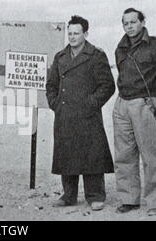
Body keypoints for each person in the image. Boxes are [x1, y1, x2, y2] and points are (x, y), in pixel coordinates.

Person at [46, 16, 115, 211]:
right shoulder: (60, 57)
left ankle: (95, 195)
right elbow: (51, 85)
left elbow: (107, 85)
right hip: (65, 114)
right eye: (70, 33)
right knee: (66, 154)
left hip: (88, 115)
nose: (73, 37)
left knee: (91, 154)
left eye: (77, 33)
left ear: (85, 34)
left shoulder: (96, 55)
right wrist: (55, 103)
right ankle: (68, 195)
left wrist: (91, 103)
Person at [113, 8, 156, 216]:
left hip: (145, 103)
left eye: (133, 22)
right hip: (122, 103)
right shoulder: (120, 48)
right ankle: (129, 199)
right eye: (125, 23)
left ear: (142, 22)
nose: (129, 26)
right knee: (123, 155)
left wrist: (154, 101)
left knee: (150, 155)